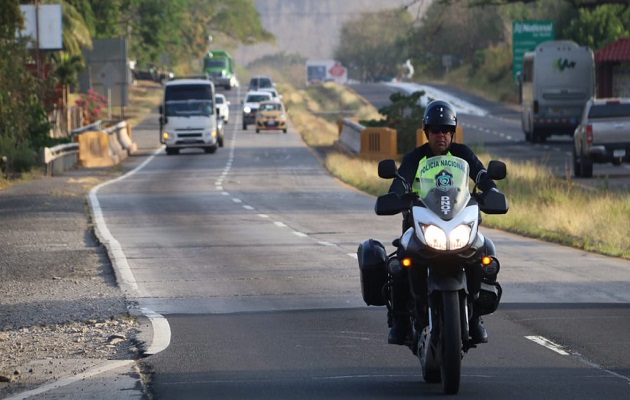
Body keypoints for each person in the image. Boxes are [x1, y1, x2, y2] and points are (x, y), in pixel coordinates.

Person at [386, 99, 500, 346]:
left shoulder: (463, 154)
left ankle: (476, 315)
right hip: (420, 226)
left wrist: (492, 191)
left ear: (452, 132)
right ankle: (401, 320)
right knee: (397, 264)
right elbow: (400, 182)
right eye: (435, 130)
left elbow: (481, 175)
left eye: (446, 130)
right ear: (427, 133)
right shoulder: (414, 157)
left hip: (457, 223)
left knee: (486, 251)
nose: (441, 135)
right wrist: (394, 196)